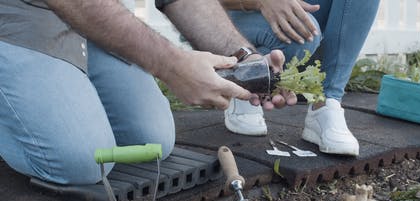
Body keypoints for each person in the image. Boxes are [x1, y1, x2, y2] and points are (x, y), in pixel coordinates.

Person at [0, 0, 297, 185]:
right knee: (81, 161)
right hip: (16, 14)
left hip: (88, 15)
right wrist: (171, 65)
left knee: (151, 139)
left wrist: (245, 58)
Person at [219, 0, 381, 156]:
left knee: (303, 29)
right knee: (298, 32)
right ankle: (243, 76)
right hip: (235, 13)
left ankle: (326, 103)